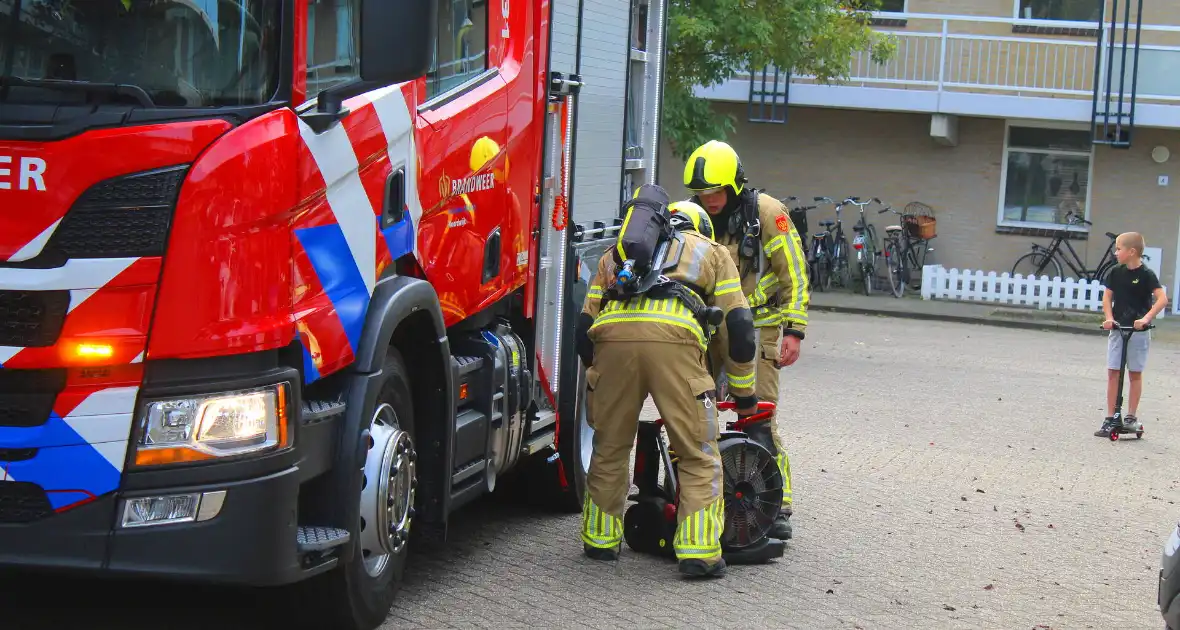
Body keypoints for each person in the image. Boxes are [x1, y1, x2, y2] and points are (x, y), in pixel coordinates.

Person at [575, 190, 758, 578]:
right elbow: (739, 330)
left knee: (609, 447)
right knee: (696, 453)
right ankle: (698, 551)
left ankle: (600, 540)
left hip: (611, 341)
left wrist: (601, 378)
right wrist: (744, 396)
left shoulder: (616, 255)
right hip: (674, 341)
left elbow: (582, 330)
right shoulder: (711, 252)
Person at [682, 140, 810, 540]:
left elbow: (795, 274)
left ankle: (776, 503)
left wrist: (794, 331)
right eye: (703, 193)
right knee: (696, 412)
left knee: (758, 418)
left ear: (735, 186)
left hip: (759, 329)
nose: (710, 200)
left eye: (717, 191)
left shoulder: (769, 215)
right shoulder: (698, 218)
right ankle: (704, 496)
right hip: (709, 330)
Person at [1095, 232, 1168, 438]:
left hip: (1138, 331)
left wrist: (1146, 318)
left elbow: (1162, 299)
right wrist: (1109, 318)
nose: (1115, 252)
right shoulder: (1114, 272)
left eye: (1119, 249)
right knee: (1113, 372)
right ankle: (1111, 416)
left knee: (1134, 373)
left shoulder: (1147, 275)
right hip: (1119, 329)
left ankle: (1130, 416)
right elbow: (1107, 298)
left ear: (1131, 251)